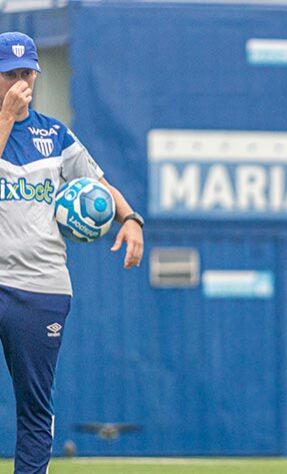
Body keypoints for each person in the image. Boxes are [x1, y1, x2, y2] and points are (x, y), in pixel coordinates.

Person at [0, 31, 144, 473]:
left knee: (35, 407)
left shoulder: (54, 133)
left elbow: (99, 184)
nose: (22, 82)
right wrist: (5, 119)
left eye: (28, 73)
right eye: (11, 73)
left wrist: (132, 219)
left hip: (41, 288)